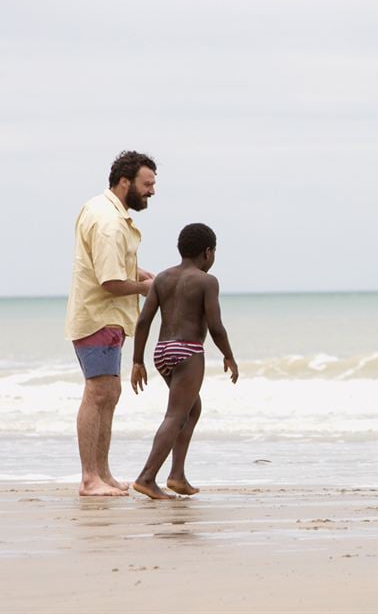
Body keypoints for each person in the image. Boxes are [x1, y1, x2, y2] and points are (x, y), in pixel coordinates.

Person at [66, 150, 157, 497]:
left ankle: (102, 473)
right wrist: (146, 288)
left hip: (105, 317)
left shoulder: (104, 210)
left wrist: (137, 272)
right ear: (125, 182)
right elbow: (109, 282)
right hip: (98, 316)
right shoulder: (108, 222)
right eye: (146, 184)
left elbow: (109, 266)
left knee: (110, 393)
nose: (151, 191)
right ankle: (90, 478)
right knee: (98, 393)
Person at [130, 223, 239, 499]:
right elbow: (216, 326)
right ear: (208, 252)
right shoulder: (206, 281)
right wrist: (229, 355)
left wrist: (137, 361)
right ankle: (146, 477)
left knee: (192, 408)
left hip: (162, 352)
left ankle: (177, 476)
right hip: (188, 352)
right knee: (176, 414)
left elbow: (144, 321)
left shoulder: (162, 279)